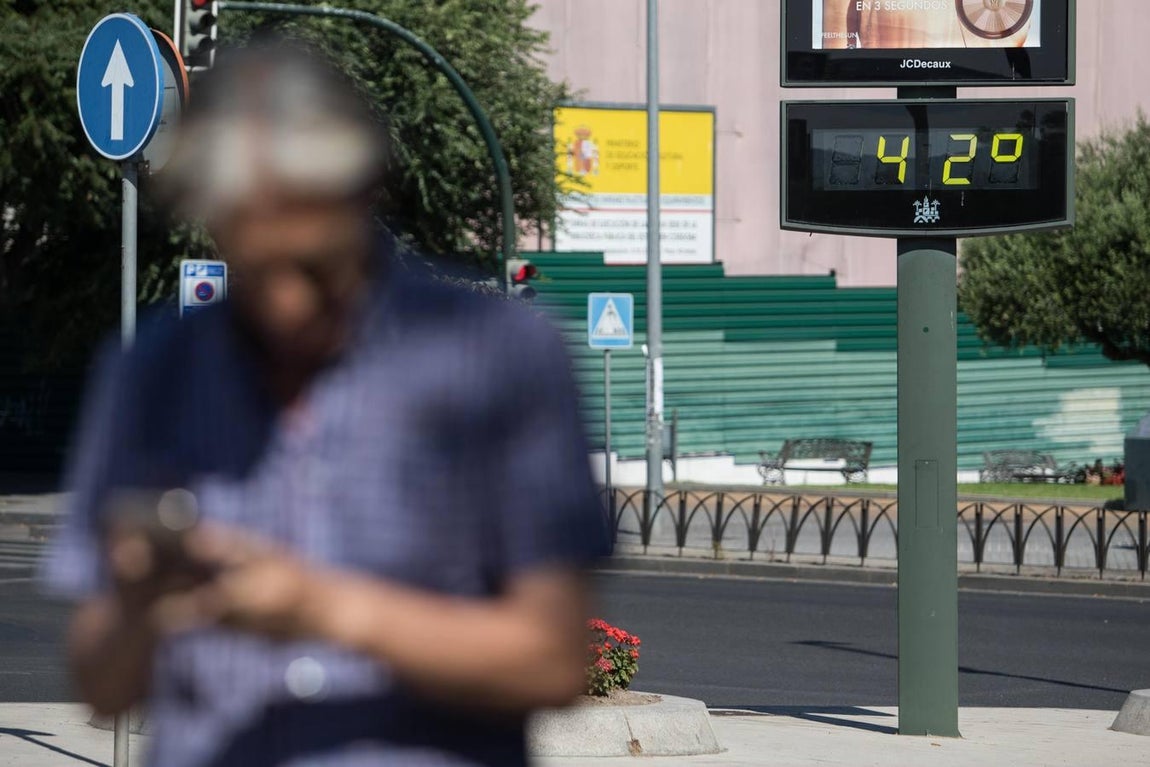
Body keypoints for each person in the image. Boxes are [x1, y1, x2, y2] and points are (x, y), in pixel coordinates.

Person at [42, 42, 608, 767]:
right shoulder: (149, 370)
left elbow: (554, 658)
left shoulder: (497, 355)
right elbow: (100, 684)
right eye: (256, 268)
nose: (285, 303)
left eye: (312, 266)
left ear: (363, 196)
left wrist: (327, 610)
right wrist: (139, 604)